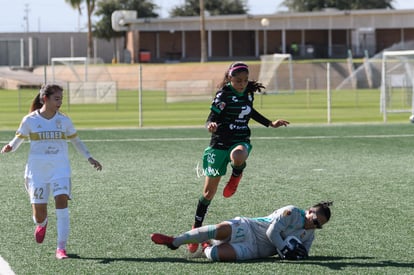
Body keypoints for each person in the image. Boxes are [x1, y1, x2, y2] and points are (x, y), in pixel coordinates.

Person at [189, 62, 290, 252]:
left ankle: (236, 176)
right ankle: (196, 228)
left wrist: (270, 123)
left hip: (240, 139)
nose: (242, 84)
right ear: (229, 78)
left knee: (239, 155)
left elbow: (250, 112)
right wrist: (211, 124)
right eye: (238, 80)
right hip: (219, 144)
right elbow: (211, 117)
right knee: (207, 194)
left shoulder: (248, 93)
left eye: (244, 80)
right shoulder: (223, 95)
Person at [1, 84, 102, 260]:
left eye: (61, 99)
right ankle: (42, 223)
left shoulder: (64, 121)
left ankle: (61, 248)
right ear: (45, 99)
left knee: (62, 203)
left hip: (60, 169)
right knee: (39, 214)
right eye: (57, 98)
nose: (60, 102)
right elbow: (18, 139)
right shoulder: (30, 120)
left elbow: (77, 141)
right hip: (37, 171)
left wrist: (89, 157)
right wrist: (10, 147)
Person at [151, 201, 333, 261]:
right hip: (250, 228)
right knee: (219, 229)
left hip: (256, 251)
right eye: (314, 220)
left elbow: (304, 253)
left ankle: (205, 246)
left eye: (319, 225)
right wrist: (285, 250)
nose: (314, 225)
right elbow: (271, 233)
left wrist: (298, 255)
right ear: (309, 211)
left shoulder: (309, 233)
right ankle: (175, 241)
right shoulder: (291, 212)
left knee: (215, 254)